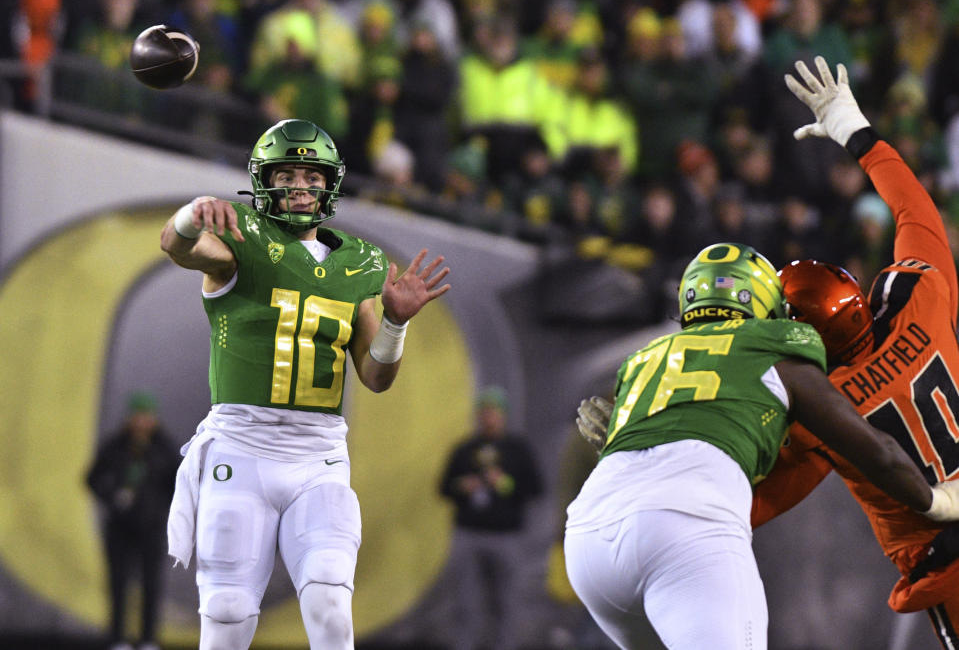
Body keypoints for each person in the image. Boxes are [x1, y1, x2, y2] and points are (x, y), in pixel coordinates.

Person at [567, 241, 959, 650]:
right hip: (683, 528)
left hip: (589, 542)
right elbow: (877, 452)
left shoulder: (645, 359)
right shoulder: (776, 348)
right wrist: (936, 501)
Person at [160, 118, 450, 650]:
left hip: (318, 455)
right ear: (263, 179)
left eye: (311, 177)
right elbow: (178, 247)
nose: (299, 187)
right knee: (225, 616)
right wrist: (189, 214)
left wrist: (395, 322)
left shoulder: (362, 262)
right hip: (241, 446)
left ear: (330, 185)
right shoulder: (241, 235)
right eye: (287, 174)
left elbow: (376, 377)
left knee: (332, 612)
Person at [751, 57, 959, 647]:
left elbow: (751, 504)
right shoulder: (921, 295)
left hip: (948, 561)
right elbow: (918, 213)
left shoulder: (822, 408)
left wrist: (639, 463)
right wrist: (859, 135)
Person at [438, 386, 544, 650]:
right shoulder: (464, 450)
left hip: (506, 536)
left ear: (504, 415)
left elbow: (535, 488)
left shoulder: (517, 450)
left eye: (494, 412)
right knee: (466, 603)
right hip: (469, 534)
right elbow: (443, 487)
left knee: (507, 602)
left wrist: (505, 484)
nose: (489, 417)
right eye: (484, 412)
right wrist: (463, 487)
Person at [86, 391, 180, 650]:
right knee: (118, 583)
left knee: (152, 584)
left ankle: (148, 639)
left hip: (152, 527)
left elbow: (178, 483)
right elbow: (92, 478)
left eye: (146, 416)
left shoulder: (164, 447)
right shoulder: (115, 445)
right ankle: (118, 639)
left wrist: (162, 507)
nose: (142, 422)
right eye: (137, 415)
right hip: (119, 527)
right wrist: (112, 498)